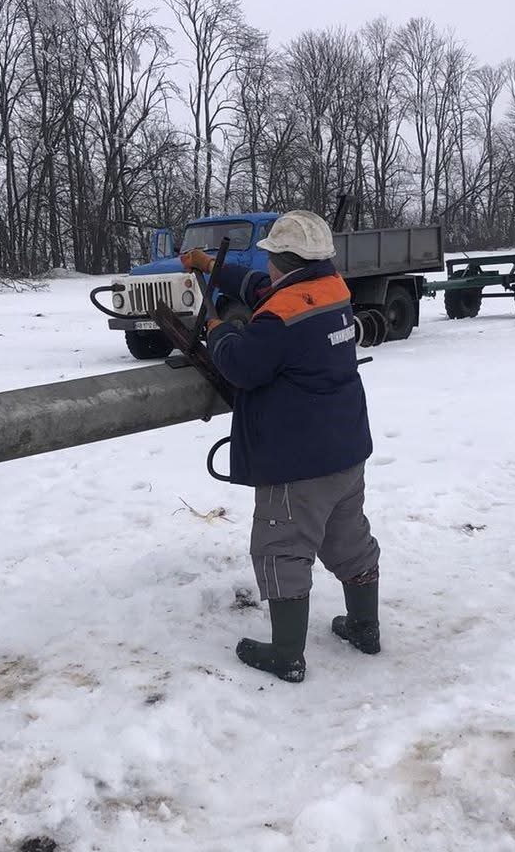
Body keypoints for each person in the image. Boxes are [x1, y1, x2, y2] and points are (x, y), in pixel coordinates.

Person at [180, 210, 381, 684]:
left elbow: (241, 366)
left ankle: (287, 653)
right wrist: (212, 267)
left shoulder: (281, 318)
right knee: (347, 537)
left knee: (281, 547)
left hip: (298, 459)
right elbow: (259, 289)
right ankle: (364, 626)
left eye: (270, 257)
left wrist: (218, 329)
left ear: (284, 263)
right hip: (345, 449)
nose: (265, 267)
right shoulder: (331, 291)